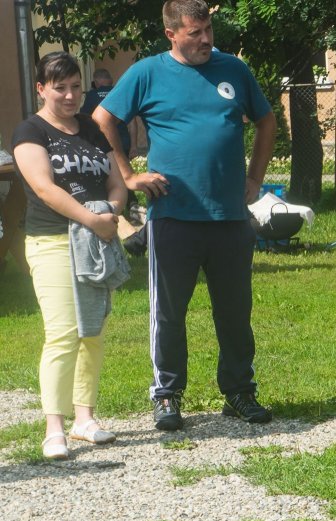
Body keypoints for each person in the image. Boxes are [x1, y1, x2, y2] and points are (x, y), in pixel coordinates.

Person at [93, 0, 276, 432]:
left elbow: (265, 121)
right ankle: (167, 394)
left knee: (234, 310)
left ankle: (239, 391)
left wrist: (255, 179)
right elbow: (102, 118)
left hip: (230, 215)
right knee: (169, 312)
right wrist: (128, 174)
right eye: (195, 33)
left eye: (208, 30)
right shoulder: (147, 72)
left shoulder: (233, 69)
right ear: (171, 34)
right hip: (173, 215)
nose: (206, 40)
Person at [12, 52, 128, 460]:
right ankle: (54, 427)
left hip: (94, 241)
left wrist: (111, 211)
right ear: (41, 88)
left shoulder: (92, 131)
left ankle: (85, 418)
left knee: (91, 332)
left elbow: (117, 182)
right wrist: (91, 219)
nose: (70, 95)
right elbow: (44, 188)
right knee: (62, 332)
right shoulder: (30, 132)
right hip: (53, 242)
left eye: (76, 86)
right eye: (60, 87)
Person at [79, 68, 131, 159]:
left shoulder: (91, 95)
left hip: (101, 142)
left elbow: (83, 117)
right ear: (110, 80)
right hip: (122, 141)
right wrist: (133, 145)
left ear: (96, 81)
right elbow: (132, 122)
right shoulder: (120, 92)